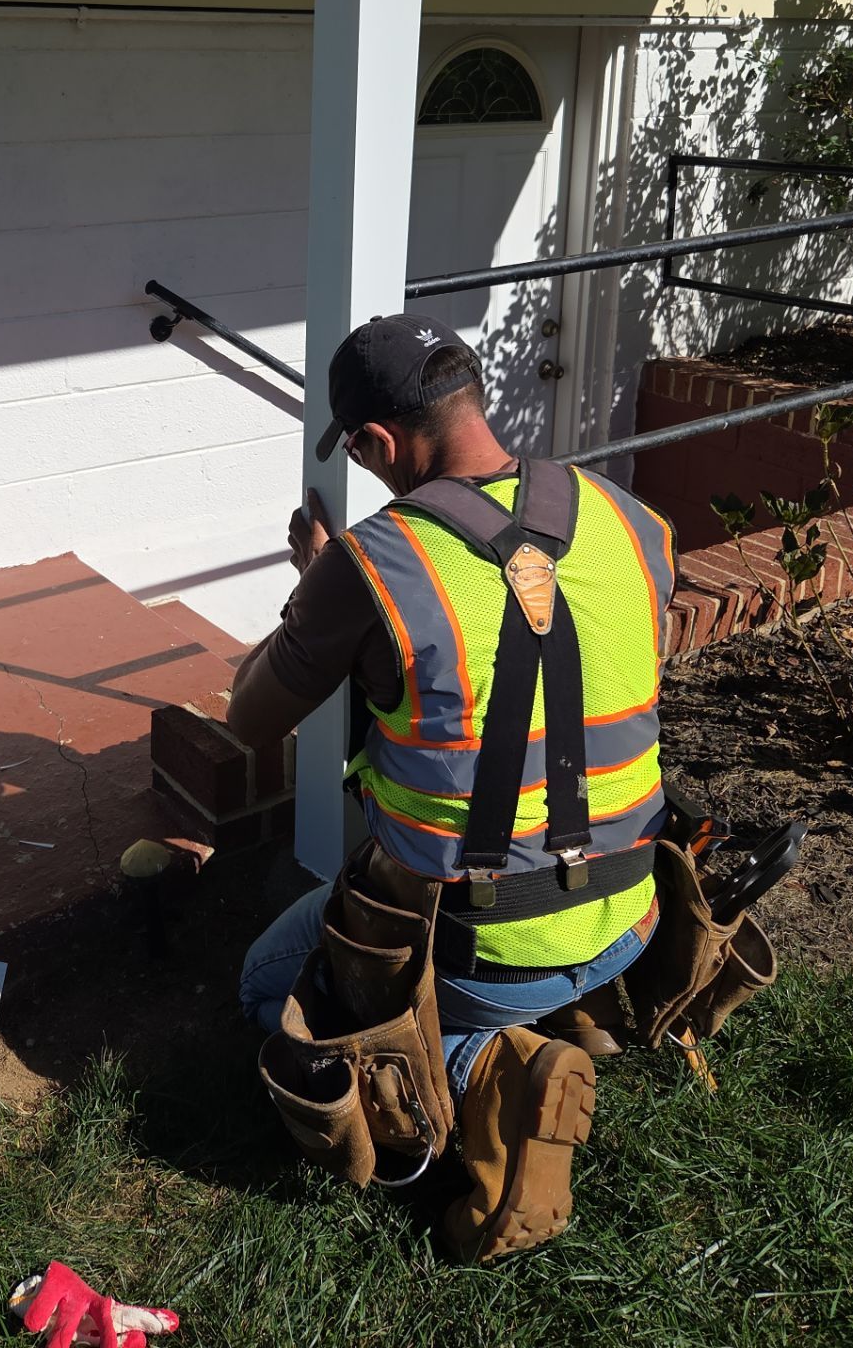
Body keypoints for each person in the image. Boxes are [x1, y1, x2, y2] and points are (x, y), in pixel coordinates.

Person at [229, 313, 675, 1262]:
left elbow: (248, 717)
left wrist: (316, 590)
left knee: (267, 984)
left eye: (359, 450)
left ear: (377, 442)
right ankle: (581, 1007)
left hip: (481, 946)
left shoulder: (373, 563)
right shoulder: (632, 520)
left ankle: (488, 1070)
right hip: (632, 912)